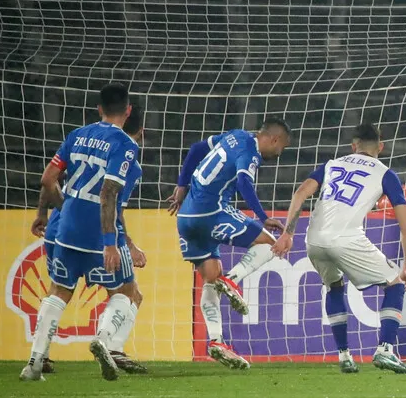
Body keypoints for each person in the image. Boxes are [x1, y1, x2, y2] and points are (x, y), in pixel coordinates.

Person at [21, 83, 142, 381]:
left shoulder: (77, 135)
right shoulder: (126, 145)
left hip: (66, 227)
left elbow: (48, 178)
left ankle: (35, 363)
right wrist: (109, 242)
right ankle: (104, 341)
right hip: (96, 231)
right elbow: (109, 192)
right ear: (127, 111)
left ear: (99, 109)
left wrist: (53, 211)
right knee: (124, 292)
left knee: (60, 290)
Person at [272, 124, 406, 373]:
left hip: (313, 240)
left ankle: (344, 355)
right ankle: (386, 350)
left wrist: (288, 233)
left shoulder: (330, 165)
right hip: (346, 238)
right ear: (380, 147)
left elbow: (300, 193)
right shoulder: (385, 173)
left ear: (353, 146)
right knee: (395, 283)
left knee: (333, 286)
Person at [168, 119, 290, 369]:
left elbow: (195, 149)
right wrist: (263, 217)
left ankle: (216, 341)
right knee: (271, 244)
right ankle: (233, 279)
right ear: (274, 139)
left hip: (186, 217)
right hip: (211, 212)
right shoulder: (251, 152)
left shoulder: (234, 135)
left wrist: (181, 185)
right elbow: (245, 182)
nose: (278, 154)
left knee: (211, 278)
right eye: (281, 148)